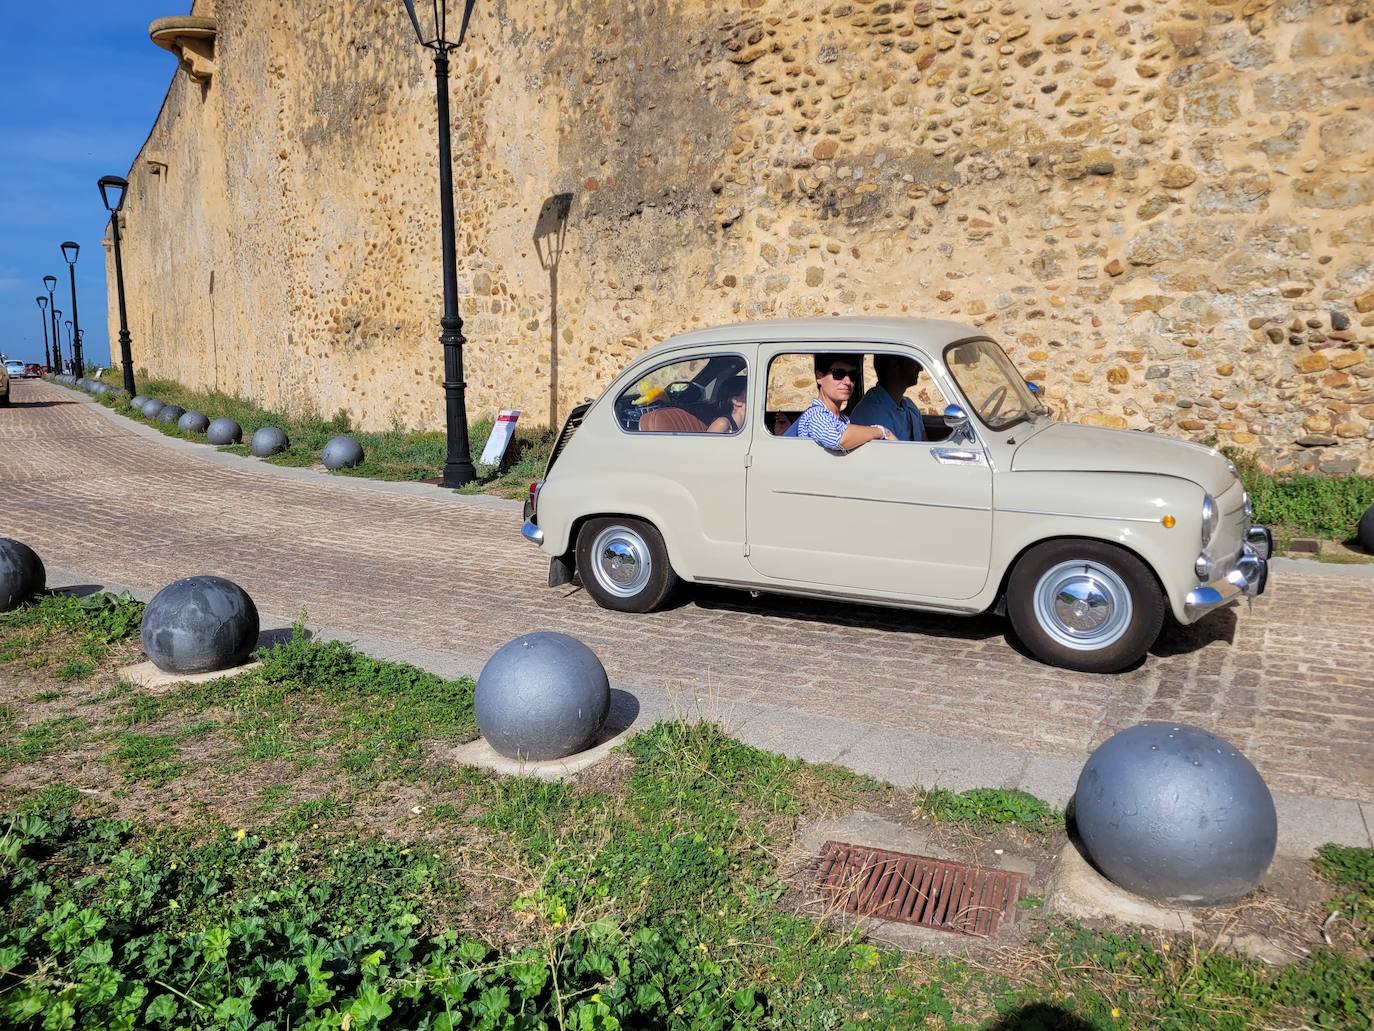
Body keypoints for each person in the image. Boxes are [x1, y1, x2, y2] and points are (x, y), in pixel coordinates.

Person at [794, 354, 894, 450]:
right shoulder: (815, 415)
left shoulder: (843, 419)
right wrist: (882, 431)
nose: (847, 382)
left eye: (853, 375)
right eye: (838, 374)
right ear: (819, 377)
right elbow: (838, 439)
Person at [848, 354, 926, 441]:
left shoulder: (909, 405)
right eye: (913, 362)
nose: (920, 368)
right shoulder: (871, 414)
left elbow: (924, 442)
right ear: (894, 365)